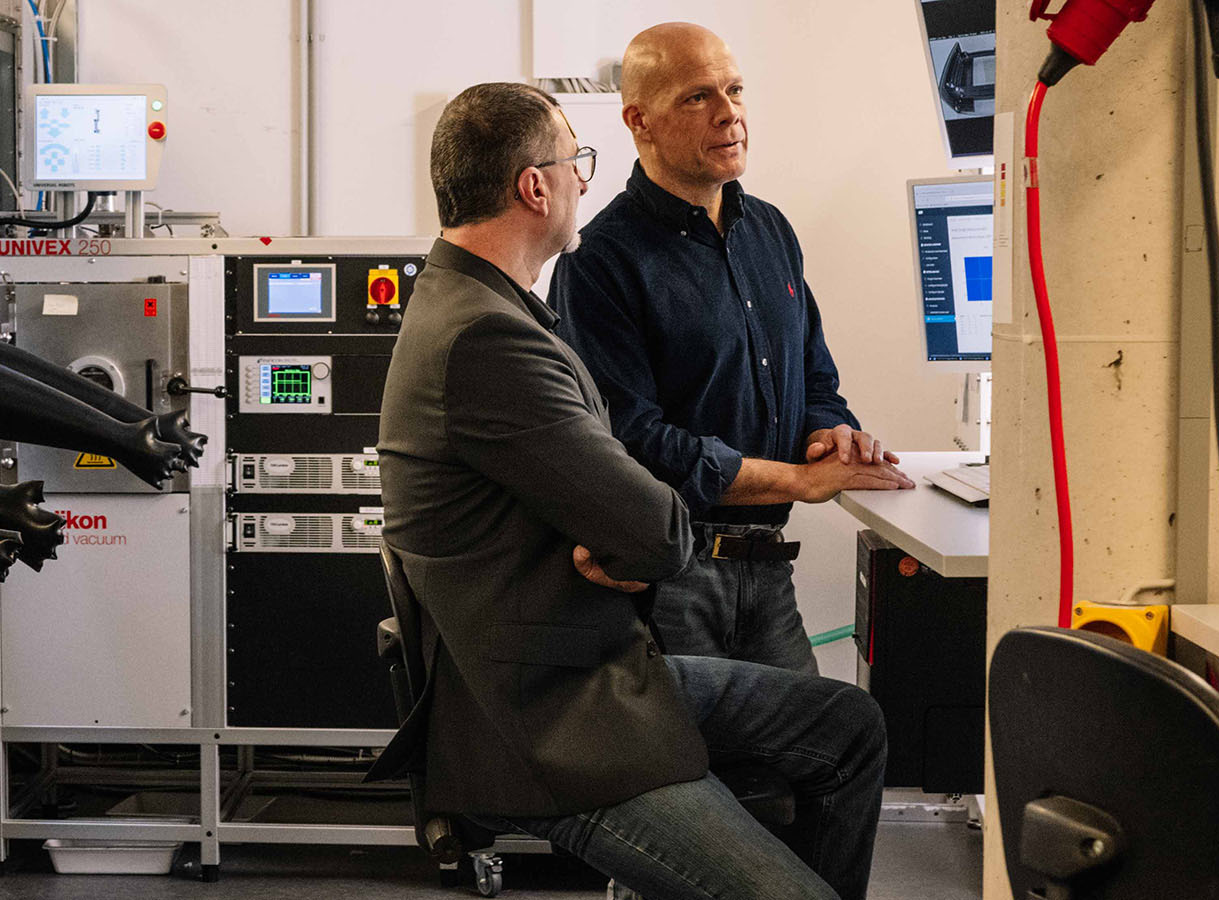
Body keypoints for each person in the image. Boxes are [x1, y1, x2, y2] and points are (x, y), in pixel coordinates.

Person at [369, 81, 884, 900]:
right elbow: (657, 529)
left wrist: (616, 530)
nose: (584, 179)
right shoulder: (487, 337)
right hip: (556, 721)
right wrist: (628, 534)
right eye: (576, 162)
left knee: (848, 725)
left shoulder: (486, 306)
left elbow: (618, 496)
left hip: (594, 664)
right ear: (533, 188)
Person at [555, 23, 914, 674]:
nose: (730, 114)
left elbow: (813, 378)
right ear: (640, 120)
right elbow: (633, 444)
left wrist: (829, 434)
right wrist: (799, 481)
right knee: (705, 768)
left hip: (770, 573)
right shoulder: (600, 261)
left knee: (824, 750)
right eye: (698, 97)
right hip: (673, 577)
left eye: (736, 90)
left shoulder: (769, 230)